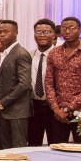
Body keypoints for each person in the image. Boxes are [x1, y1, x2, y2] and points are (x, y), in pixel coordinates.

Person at [44, 17, 81, 145]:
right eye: (64, 28)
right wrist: (56, 109)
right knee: (57, 149)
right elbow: (49, 83)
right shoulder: (54, 53)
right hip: (57, 112)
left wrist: (67, 109)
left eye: (71, 28)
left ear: (80, 30)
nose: (67, 31)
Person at [0, 20, 32, 151]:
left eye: (6, 32)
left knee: (18, 149)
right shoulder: (5, 52)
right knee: (6, 148)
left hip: (17, 110)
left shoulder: (21, 53)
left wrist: (3, 102)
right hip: (5, 110)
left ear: (16, 33)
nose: (1, 34)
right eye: (0, 32)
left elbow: (24, 84)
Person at [27, 18, 56, 147]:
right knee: (33, 144)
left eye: (46, 32)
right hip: (33, 105)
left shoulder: (59, 55)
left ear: (53, 35)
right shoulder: (29, 55)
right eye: (39, 32)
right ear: (34, 35)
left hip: (54, 106)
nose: (42, 35)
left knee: (55, 144)